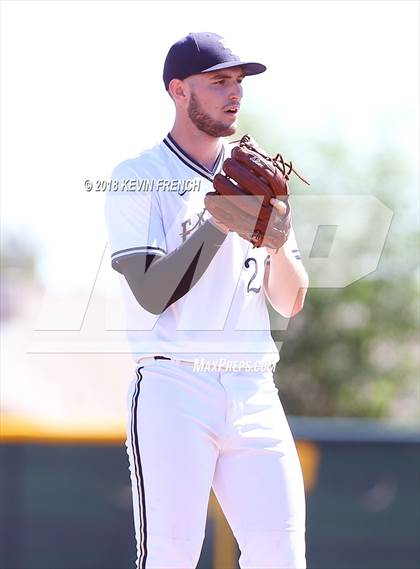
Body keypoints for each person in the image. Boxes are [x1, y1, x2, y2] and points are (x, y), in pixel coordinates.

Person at [104, 32, 309, 569]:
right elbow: (151, 293)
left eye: (238, 82)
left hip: (254, 385)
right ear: (178, 90)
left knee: (282, 558)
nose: (233, 92)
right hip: (175, 385)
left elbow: (290, 301)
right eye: (218, 81)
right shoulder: (137, 177)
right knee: (170, 557)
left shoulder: (255, 177)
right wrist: (219, 222)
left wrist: (279, 241)